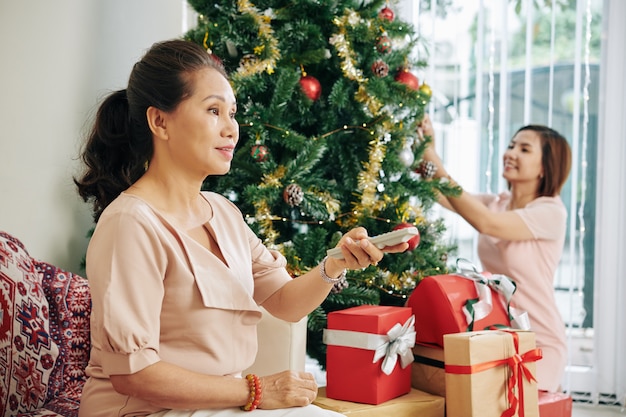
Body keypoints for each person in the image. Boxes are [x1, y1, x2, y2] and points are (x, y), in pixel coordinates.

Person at [74, 39, 409, 417]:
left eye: (232, 113)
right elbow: (134, 375)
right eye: (213, 111)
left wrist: (337, 263)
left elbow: (285, 302)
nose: (231, 129)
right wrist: (256, 390)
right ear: (159, 121)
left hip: (223, 405)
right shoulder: (130, 224)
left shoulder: (223, 213)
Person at [418, 114, 571, 393]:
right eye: (511, 146)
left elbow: (487, 223)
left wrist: (437, 164)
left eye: (524, 149)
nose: (511, 153)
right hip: (498, 336)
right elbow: (439, 193)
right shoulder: (495, 203)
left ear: (545, 168)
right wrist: (426, 150)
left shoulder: (550, 212)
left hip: (539, 339)